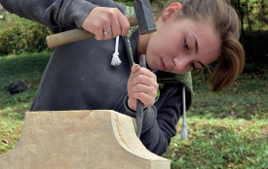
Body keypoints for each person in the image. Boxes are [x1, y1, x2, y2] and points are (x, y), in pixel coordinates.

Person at [0, 0, 245, 156]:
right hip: (35, 157)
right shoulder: (102, 14)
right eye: (186, 44)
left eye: (194, 64)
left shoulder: (174, 87)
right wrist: (74, 9)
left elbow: (156, 150)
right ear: (171, 13)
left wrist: (141, 110)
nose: (179, 64)